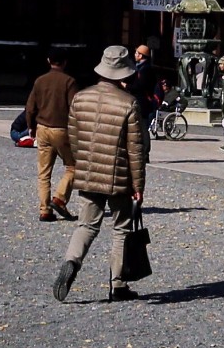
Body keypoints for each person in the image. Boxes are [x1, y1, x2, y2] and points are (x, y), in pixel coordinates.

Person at [53, 45, 150, 303]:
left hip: (88, 172)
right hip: (119, 177)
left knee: (86, 225)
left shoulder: (80, 98)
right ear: (124, 74)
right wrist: (138, 185)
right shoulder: (129, 103)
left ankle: (72, 261)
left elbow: (73, 139)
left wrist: (80, 166)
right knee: (121, 228)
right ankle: (117, 285)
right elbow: (135, 150)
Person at [25, 51, 78, 222]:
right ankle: (60, 198)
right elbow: (74, 108)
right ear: (65, 62)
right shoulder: (69, 82)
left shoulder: (40, 81)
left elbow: (30, 107)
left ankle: (45, 210)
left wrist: (30, 126)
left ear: (48, 61)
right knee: (73, 167)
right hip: (62, 130)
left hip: (42, 128)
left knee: (44, 172)